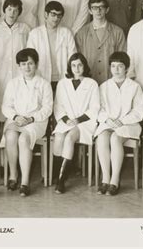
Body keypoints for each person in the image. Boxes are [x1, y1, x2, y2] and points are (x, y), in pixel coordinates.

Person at [0, 48, 53, 196]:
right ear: (19, 66)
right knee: (10, 136)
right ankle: (13, 175)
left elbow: (47, 108)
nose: (27, 67)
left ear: (36, 64)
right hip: (17, 118)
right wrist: (16, 117)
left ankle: (25, 181)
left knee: (23, 139)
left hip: (37, 120)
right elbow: (6, 106)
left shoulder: (44, 84)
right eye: (23, 64)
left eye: (30, 63)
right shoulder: (13, 83)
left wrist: (31, 119)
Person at [94, 52, 143, 196]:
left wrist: (122, 121)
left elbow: (138, 111)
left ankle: (115, 180)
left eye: (120, 66)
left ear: (127, 68)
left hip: (129, 124)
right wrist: (107, 119)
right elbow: (99, 108)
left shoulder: (134, 87)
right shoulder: (104, 86)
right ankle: (105, 178)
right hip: (109, 122)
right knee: (102, 137)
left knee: (115, 138)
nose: (116, 70)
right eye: (113, 66)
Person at [51, 53, 100, 194]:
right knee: (59, 137)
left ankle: (61, 179)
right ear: (70, 67)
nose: (77, 68)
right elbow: (58, 106)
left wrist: (78, 120)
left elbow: (95, 108)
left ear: (84, 66)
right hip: (67, 121)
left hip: (85, 122)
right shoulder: (62, 83)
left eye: (79, 65)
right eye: (73, 65)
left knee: (70, 137)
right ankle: (57, 172)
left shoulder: (92, 84)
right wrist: (66, 120)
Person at [0, 0, 30, 120]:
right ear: (4, 11)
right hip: (0, 73)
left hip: (19, 73)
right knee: (0, 103)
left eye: (16, 10)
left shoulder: (25, 29)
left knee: (18, 102)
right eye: (9, 9)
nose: (12, 13)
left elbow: (29, 51)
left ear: (19, 13)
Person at [75, 0, 126, 84]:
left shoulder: (117, 32)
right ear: (90, 11)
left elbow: (122, 59)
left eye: (101, 7)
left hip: (111, 81)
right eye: (94, 8)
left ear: (107, 10)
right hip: (88, 82)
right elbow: (77, 61)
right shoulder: (81, 33)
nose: (98, 11)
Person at [27, 1, 76, 88]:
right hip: (41, 78)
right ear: (46, 15)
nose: (56, 18)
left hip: (63, 78)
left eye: (59, 15)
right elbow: (30, 59)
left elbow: (72, 57)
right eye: (53, 14)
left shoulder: (66, 33)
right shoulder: (35, 34)